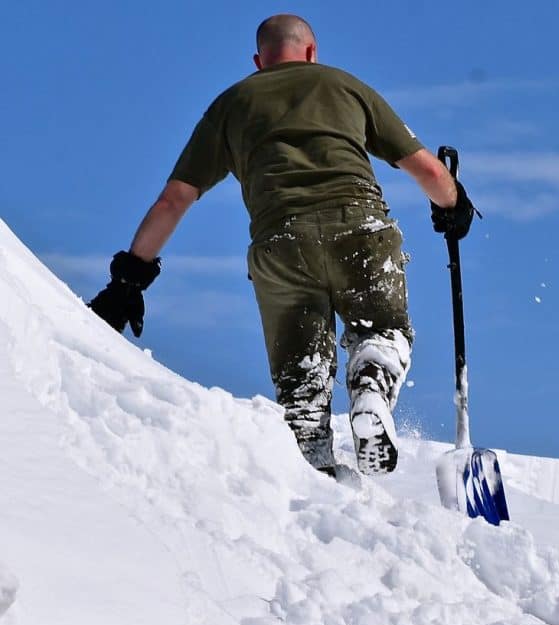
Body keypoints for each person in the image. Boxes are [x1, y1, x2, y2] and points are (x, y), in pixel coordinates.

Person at [87, 13, 476, 479]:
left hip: (281, 246)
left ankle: (320, 480)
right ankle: (371, 389)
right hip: (361, 230)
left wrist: (130, 278)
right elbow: (430, 173)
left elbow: (174, 199)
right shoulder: (346, 87)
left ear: (258, 61)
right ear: (312, 52)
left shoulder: (230, 106)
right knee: (382, 332)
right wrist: (455, 206)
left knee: (303, 387)